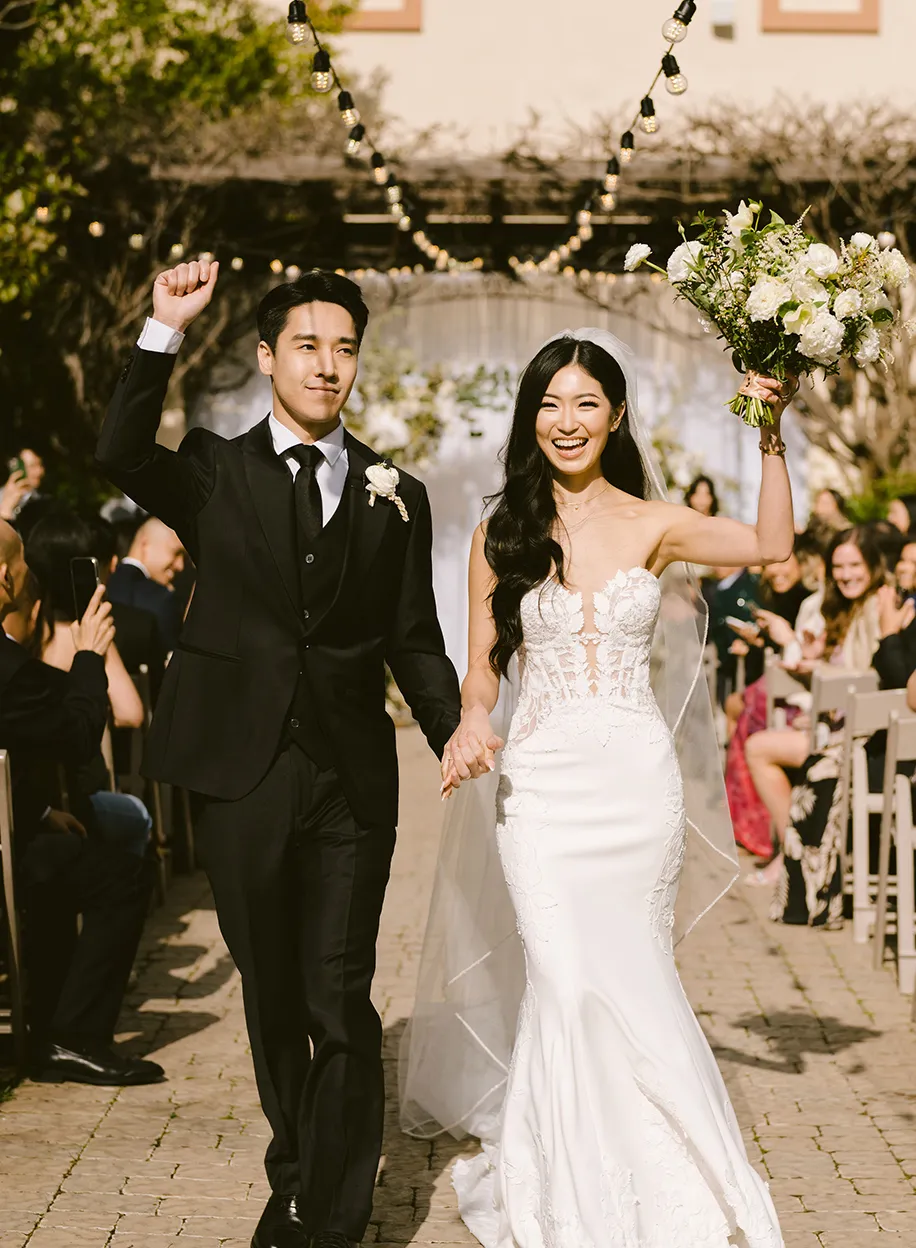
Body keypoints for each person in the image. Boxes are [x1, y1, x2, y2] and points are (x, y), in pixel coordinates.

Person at [400, 330, 794, 1248]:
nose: (566, 421)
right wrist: (471, 719)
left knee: (634, 979)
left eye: (585, 403)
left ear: (615, 415)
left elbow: (773, 543)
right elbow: (484, 666)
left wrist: (770, 433)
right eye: (549, 403)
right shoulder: (503, 531)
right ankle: (571, 1189)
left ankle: (668, 1176)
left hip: (633, 785)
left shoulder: (654, 523)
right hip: (539, 788)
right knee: (568, 985)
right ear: (529, 417)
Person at [96, 260, 461, 1248]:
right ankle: (294, 1166)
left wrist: (451, 730)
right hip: (239, 770)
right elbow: (121, 447)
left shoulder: (397, 494)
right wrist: (162, 329)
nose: (327, 364)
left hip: (350, 779)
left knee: (337, 992)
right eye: (307, 345)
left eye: (344, 347)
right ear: (267, 359)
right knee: (269, 988)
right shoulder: (213, 469)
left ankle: (329, 1216)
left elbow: (413, 636)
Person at [0, 520, 161, 1084]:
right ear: (4, 579)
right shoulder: (8, 669)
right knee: (124, 876)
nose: (31, 577)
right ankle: (75, 1035)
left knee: (60, 853)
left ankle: (46, 1028)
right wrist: (90, 654)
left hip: (17, 829)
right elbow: (72, 735)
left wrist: (39, 812)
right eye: (22, 564)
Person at [745, 526, 886, 899]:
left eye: (855, 564)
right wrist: (814, 659)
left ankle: (789, 853)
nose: (846, 574)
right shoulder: (839, 606)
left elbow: (872, 677)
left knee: (759, 747)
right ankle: (790, 849)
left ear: (873, 565)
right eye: (838, 566)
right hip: (836, 722)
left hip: (861, 733)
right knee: (758, 741)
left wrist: (817, 671)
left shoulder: (877, 607)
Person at [106, 515, 185, 653]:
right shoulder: (163, 599)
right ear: (145, 544)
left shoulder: (103, 584)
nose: (180, 565)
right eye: (176, 553)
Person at [0, 447, 46, 524]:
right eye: (32, 466)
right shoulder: (2, 497)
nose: (40, 471)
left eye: (40, 464)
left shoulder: (41, 500)